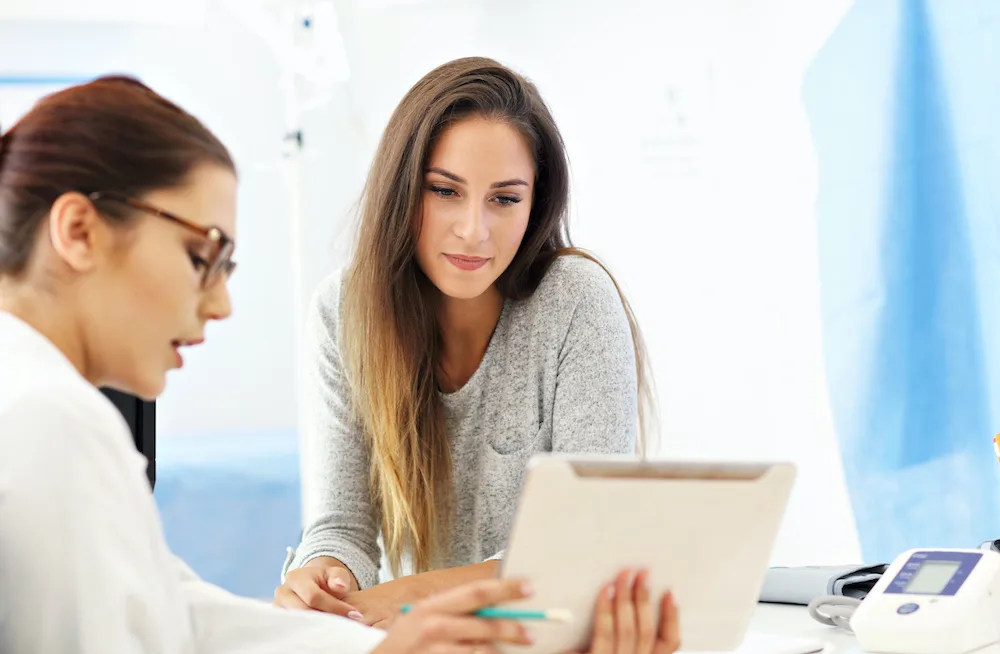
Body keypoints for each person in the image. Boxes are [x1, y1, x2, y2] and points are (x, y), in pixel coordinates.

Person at [0, 76, 681, 654]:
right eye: (202, 256)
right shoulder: (49, 420)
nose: (224, 304)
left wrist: (383, 620)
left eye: (504, 198)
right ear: (79, 232)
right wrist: (362, 607)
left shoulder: (48, 411)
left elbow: (183, 614)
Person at [277, 56, 656, 628]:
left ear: (537, 204)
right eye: (444, 191)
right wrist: (325, 579)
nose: (474, 230)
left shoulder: (576, 300)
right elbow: (342, 527)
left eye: (504, 199)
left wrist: (407, 598)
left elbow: (586, 544)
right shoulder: (342, 312)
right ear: (403, 189)